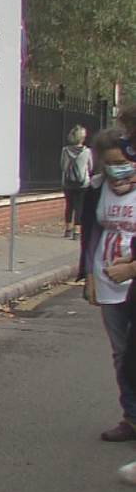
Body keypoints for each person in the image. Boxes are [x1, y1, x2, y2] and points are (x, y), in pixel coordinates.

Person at [75, 128, 136, 442]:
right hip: (108, 280)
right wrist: (89, 275)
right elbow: (90, 235)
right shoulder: (97, 189)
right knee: (122, 354)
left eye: (122, 162)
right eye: (109, 164)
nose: (117, 170)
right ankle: (132, 418)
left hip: (132, 278)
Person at [62, 124, 92, 239]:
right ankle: (77, 231)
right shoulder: (86, 151)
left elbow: (62, 165)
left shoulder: (65, 150)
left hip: (67, 182)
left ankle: (68, 229)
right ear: (82, 138)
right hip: (82, 183)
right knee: (79, 206)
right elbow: (91, 166)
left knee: (69, 205)